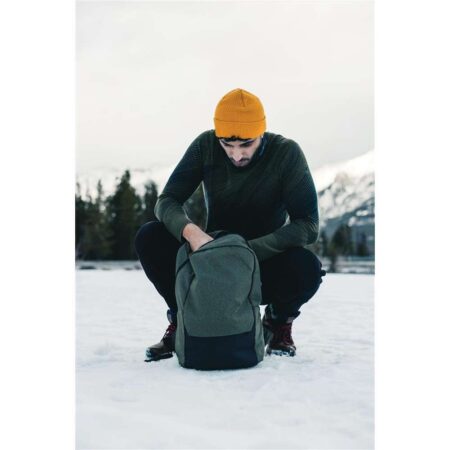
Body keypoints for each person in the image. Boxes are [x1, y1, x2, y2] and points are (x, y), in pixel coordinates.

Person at [135, 88, 326, 361]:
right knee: (150, 236)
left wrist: (247, 250)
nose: (236, 155)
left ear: (261, 133)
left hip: (262, 263)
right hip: (208, 260)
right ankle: (183, 320)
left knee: (307, 268)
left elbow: (308, 224)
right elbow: (166, 201)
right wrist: (192, 233)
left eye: (246, 144)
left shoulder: (286, 153)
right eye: (227, 145)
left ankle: (276, 322)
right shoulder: (205, 145)